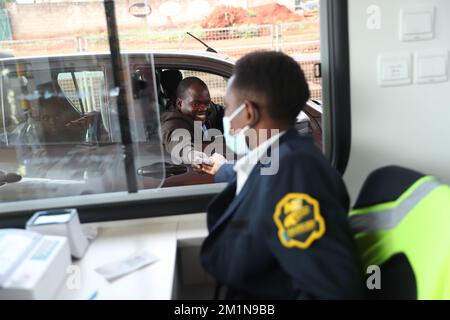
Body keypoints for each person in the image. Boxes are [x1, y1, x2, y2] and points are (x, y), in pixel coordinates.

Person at [199, 51, 364, 299]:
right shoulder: (278, 158)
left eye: (228, 109)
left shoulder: (297, 173)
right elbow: (258, 187)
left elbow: (331, 291)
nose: (225, 118)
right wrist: (223, 170)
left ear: (248, 114)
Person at [160, 76, 224, 164]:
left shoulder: (207, 109)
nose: (203, 108)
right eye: (196, 104)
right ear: (179, 104)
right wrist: (191, 155)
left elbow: (221, 111)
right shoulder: (174, 123)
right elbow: (179, 143)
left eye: (206, 103)